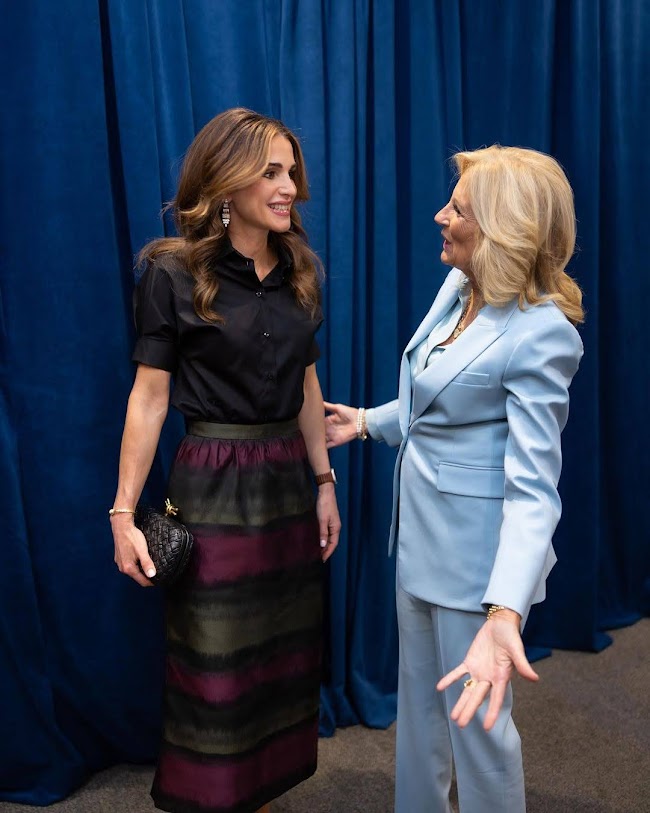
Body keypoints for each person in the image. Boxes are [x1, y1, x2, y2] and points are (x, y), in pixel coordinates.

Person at [324, 145, 584, 813]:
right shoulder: (460, 285)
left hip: (476, 572)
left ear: (503, 229)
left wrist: (506, 610)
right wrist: (365, 420)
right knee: (419, 723)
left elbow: (534, 492)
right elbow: (435, 401)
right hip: (417, 546)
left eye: (458, 208)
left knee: (479, 735)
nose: (441, 215)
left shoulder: (541, 334)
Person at [110, 108, 341, 813]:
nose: (288, 186)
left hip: (285, 489)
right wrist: (123, 511)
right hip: (211, 487)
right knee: (214, 667)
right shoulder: (173, 273)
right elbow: (149, 399)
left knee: (276, 660)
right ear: (226, 179)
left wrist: (324, 480)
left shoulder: (302, 269)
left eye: (291, 171)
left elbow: (305, 383)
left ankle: (260, 796)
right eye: (271, 171)